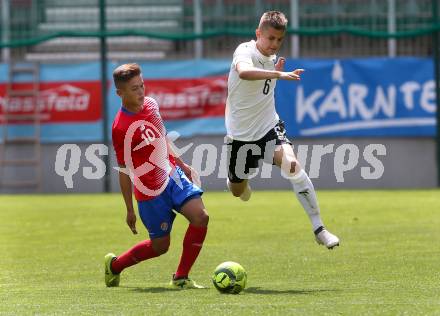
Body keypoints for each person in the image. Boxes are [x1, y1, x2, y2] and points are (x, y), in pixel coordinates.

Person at [225, 11, 339, 249]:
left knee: (293, 165)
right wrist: (278, 73)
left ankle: (319, 228)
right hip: (241, 137)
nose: (274, 44)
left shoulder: (271, 58)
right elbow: (244, 73)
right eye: (270, 39)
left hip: (269, 128)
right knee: (238, 191)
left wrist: (274, 70)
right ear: (258, 34)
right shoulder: (244, 50)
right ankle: (239, 181)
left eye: (279, 40)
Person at [105, 63, 209, 289]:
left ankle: (181, 277)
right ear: (120, 93)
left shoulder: (151, 105)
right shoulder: (120, 127)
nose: (141, 92)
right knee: (160, 246)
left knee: (200, 217)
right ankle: (115, 266)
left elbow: (162, 138)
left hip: (172, 175)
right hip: (149, 191)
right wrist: (129, 209)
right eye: (134, 89)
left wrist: (182, 164)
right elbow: (124, 168)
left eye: (142, 86)